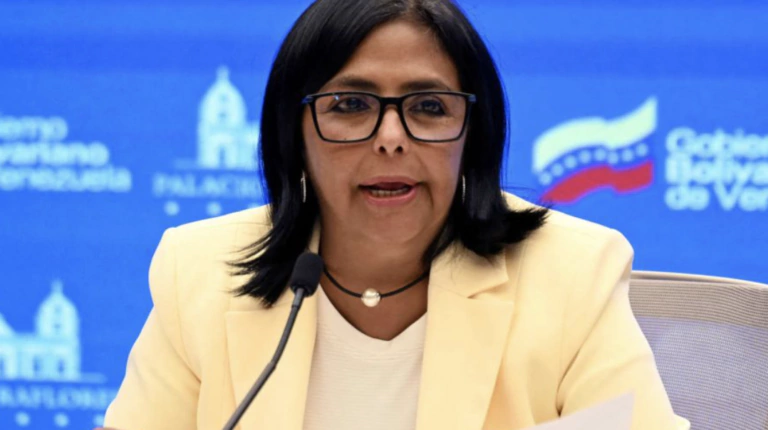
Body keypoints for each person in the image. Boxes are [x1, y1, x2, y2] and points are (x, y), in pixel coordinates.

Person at [104, 0, 690, 429]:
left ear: (472, 135)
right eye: (351, 105)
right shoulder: (200, 272)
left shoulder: (572, 274)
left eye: (428, 107)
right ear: (294, 132)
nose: (390, 138)